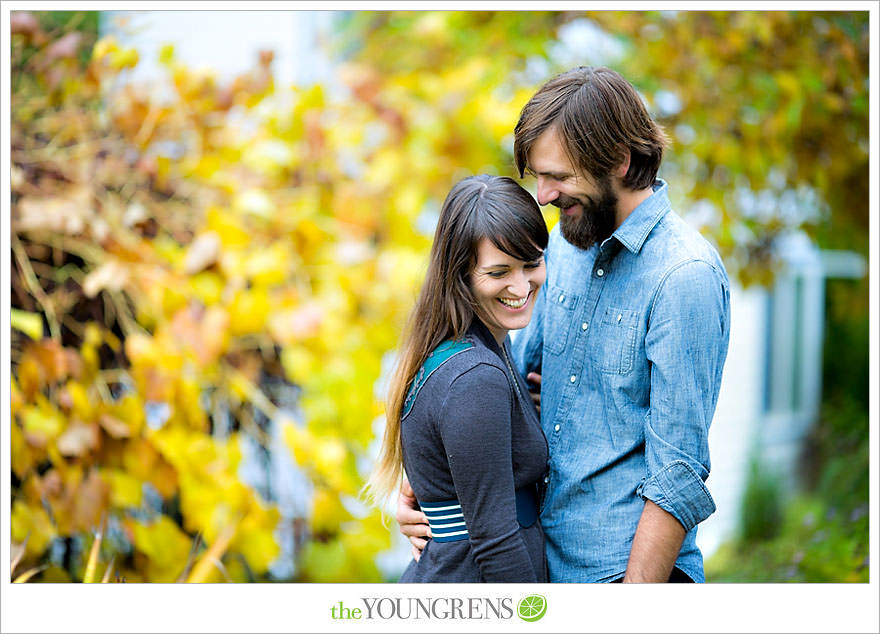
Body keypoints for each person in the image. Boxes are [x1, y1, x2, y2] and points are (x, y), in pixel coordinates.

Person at [397, 66, 730, 583]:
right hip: (536, 566)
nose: (545, 195)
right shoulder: (562, 246)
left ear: (618, 160)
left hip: (619, 574)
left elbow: (678, 472)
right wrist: (433, 498)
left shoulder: (684, 276)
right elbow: (502, 386)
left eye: (559, 176)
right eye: (538, 177)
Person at [366, 174, 550, 582]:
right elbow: (497, 542)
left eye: (532, 264)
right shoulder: (475, 378)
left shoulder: (475, 354)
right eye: (499, 272)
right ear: (461, 275)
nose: (520, 286)